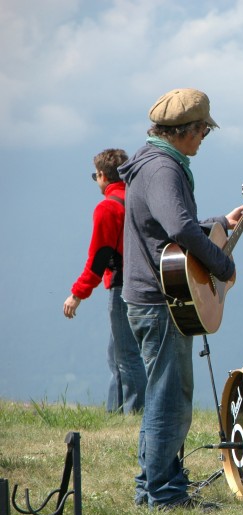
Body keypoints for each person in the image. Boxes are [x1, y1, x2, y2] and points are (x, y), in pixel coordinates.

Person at [119, 88, 243, 510]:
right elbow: (178, 226)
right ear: (186, 131)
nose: (203, 140)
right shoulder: (163, 167)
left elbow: (169, 224)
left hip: (157, 299)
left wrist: (219, 222)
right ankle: (164, 495)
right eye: (203, 133)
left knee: (166, 394)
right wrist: (222, 264)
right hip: (162, 303)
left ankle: (156, 488)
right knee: (169, 399)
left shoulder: (154, 161)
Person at [63, 149, 146, 414]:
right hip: (147, 285)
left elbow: (99, 257)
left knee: (127, 357)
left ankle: (135, 414)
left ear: (102, 175)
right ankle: (115, 414)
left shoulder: (108, 207)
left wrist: (77, 294)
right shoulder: (138, 200)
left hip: (122, 286)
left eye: (95, 176)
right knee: (117, 354)